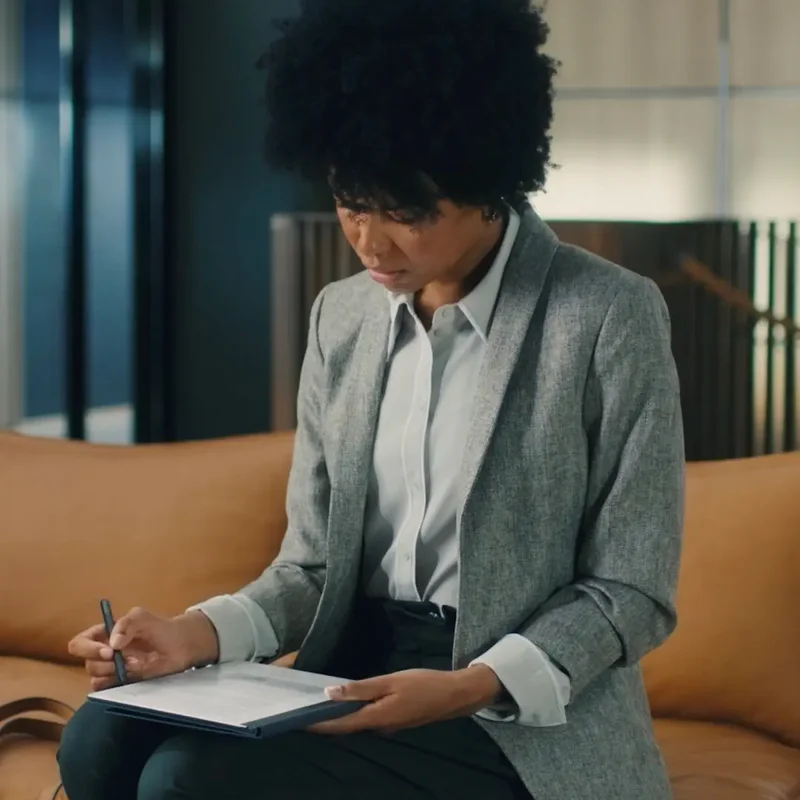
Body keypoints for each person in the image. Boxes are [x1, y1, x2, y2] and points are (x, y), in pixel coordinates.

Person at [58, 1, 685, 798]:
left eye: (407, 214)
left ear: (491, 180)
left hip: (510, 714)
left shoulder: (604, 316)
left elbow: (631, 588)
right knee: (97, 739)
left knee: (190, 781)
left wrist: (472, 684)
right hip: (348, 676)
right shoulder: (343, 317)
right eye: (352, 202)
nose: (369, 241)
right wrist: (198, 633)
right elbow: (314, 564)